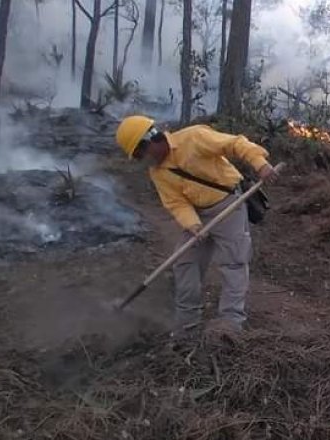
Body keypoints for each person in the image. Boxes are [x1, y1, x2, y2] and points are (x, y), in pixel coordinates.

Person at [115, 115, 278, 335]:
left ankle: (230, 324)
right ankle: (187, 325)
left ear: (151, 139)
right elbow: (176, 202)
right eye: (137, 157)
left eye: (140, 153)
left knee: (233, 263)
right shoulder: (158, 173)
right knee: (185, 262)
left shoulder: (193, 138)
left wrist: (261, 164)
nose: (142, 160)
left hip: (229, 204)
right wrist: (192, 225)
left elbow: (236, 143)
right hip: (199, 215)